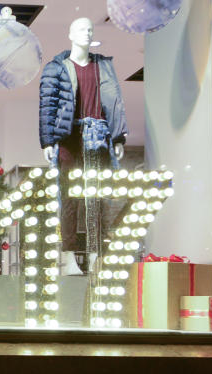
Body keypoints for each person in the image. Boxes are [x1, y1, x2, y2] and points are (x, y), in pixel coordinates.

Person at [39, 17, 127, 275]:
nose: (87, 33)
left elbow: (115, 101)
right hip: (70, 137)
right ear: (70, 33)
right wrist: (48, 140)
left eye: (90, 29)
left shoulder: (103, 66)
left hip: (98, 135)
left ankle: (96, 253)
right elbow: (47, 105)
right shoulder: (57, 67)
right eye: (81, 29)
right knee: (68, 196)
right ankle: (68, 255)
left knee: (97, 196)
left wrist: (118, 136)